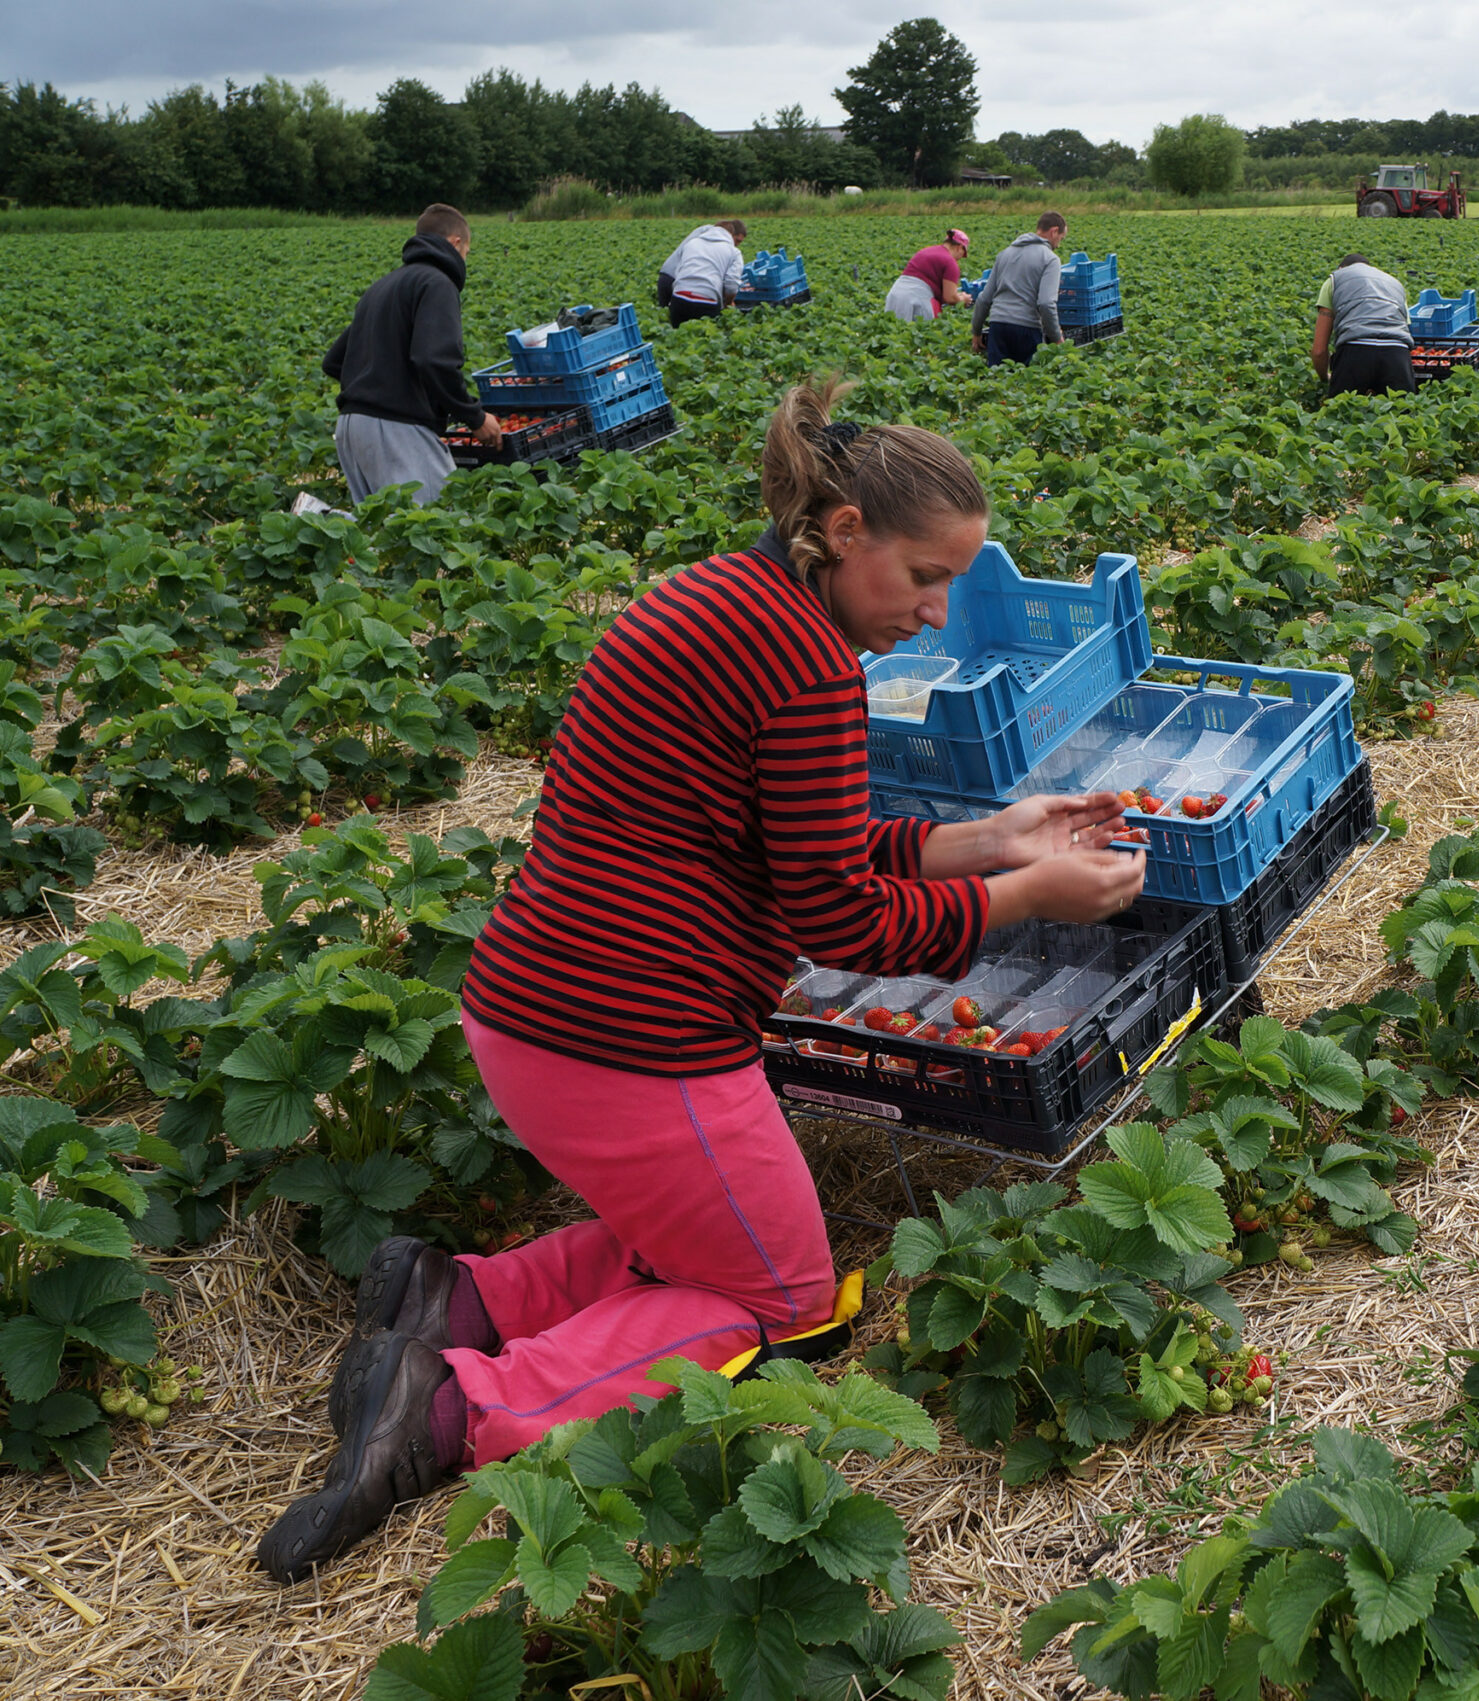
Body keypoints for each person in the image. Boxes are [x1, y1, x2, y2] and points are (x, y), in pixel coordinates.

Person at [254, 381, 1150, 1583]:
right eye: (925, 579)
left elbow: (797, 853)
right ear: (845, 534)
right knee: (784, 1297)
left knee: (712, 1238)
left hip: (540, 1009)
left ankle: (455, 1297)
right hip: (632, 1040)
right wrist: (1026, 900)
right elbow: (838, 911)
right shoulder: (808, 662)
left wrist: (996, 838)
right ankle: (452, 1405)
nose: (936, 614)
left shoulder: (727, 597)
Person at [321, 204, 497, 505]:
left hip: (352, 429)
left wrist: (379, 383)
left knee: (386, 536)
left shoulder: (383, 286)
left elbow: (334, 361)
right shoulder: (437, 283)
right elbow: (434, 359)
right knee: (436, 526)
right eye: (467, 251)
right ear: (455, 244)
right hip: (394, 430)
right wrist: (474, 416)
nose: (465, 259)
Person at [1311, 253, 1416, 397]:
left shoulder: (1336, 279)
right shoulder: (1395, 284)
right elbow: (1406, 327)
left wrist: (1325, 377)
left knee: (1342, 413)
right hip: (1397, 353)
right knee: (1400, 414)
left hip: (1354, 351)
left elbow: (1319, 350)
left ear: (1341, 268)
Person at [971, 212, 1068, 365]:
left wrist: (976, 332)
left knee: (997, 382)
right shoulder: (1050, 259)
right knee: (1027, 382)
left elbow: (984, 299)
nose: (1058, 244)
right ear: (1054, 231)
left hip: (998, 326)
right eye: (1060, 238)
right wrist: (1057, 339)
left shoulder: (1004, 254)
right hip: (1026, 328)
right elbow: (1045, 303)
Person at [656, 218, 747, 326]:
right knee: (706, 337)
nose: (737, 244)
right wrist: (727, 303)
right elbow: (731, 285)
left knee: (678, 336)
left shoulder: (693, 243)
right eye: (737, 241)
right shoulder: (733, 252)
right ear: (730, 234)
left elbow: (680, 270)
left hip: (679, 298)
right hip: (707, 301)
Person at [887, 228, 974, 321]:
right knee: (919, 331)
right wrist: (963, 300)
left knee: (895, 329)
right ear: (959, 247)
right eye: (963, 253)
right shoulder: (950, 262)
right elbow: (950, 298)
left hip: (895, 295)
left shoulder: (925, 251)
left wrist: (958, 295)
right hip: (916, 299)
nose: (960, 257)